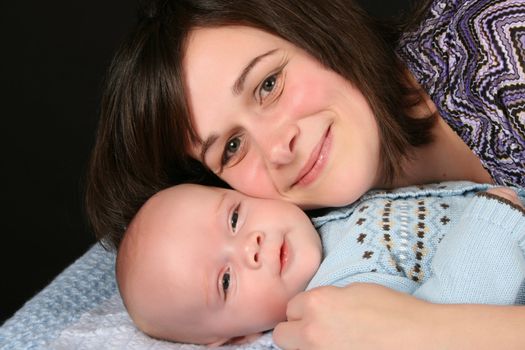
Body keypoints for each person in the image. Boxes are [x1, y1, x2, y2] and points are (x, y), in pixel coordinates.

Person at [86, 0, 525, 348]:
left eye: (268, 85)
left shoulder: (501, 42)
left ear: (318, 32)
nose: (279, 149)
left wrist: (427, 332)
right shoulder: (341, 258)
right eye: (232, 148)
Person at [116, 181, 525, 346]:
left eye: (235, 219)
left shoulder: (324, 218)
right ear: (234, 338)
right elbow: (445, 326)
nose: (251, 247)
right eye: (225, 281)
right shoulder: (339, 310)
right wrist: (493, 223)